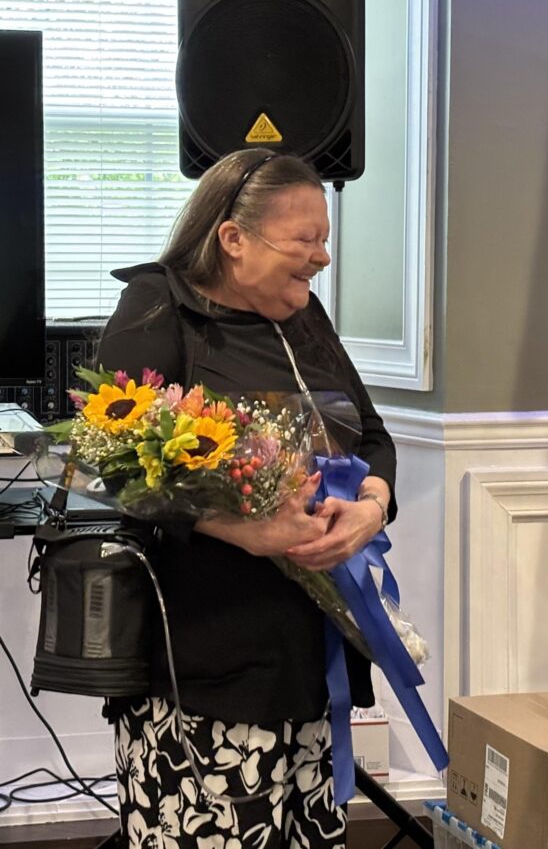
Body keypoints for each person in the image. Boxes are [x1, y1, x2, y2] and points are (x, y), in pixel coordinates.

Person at [97, 148, 396, 847]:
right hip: (200, 660)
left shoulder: (306, 320)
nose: (322, 256)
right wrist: (244, 530)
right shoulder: (158, 307)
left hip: (308, 655)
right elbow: (115, 465)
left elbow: (373, 437)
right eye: (305, 239)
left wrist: (372, 505)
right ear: (233, 238)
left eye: (325, 237)